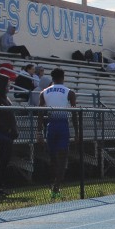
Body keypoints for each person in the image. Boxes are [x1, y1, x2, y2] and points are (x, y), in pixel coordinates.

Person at [38, 68, 77, 199]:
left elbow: (40, 113)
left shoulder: (44, 92)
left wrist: (39, 132)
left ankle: (54, 184)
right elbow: (74, 113)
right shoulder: (69, 92)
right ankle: (56, 186)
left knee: (53, 158)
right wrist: (77, 132)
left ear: (52, 78)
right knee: (62, 157)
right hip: (62, 125)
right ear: (63, 77)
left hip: (51, 125)